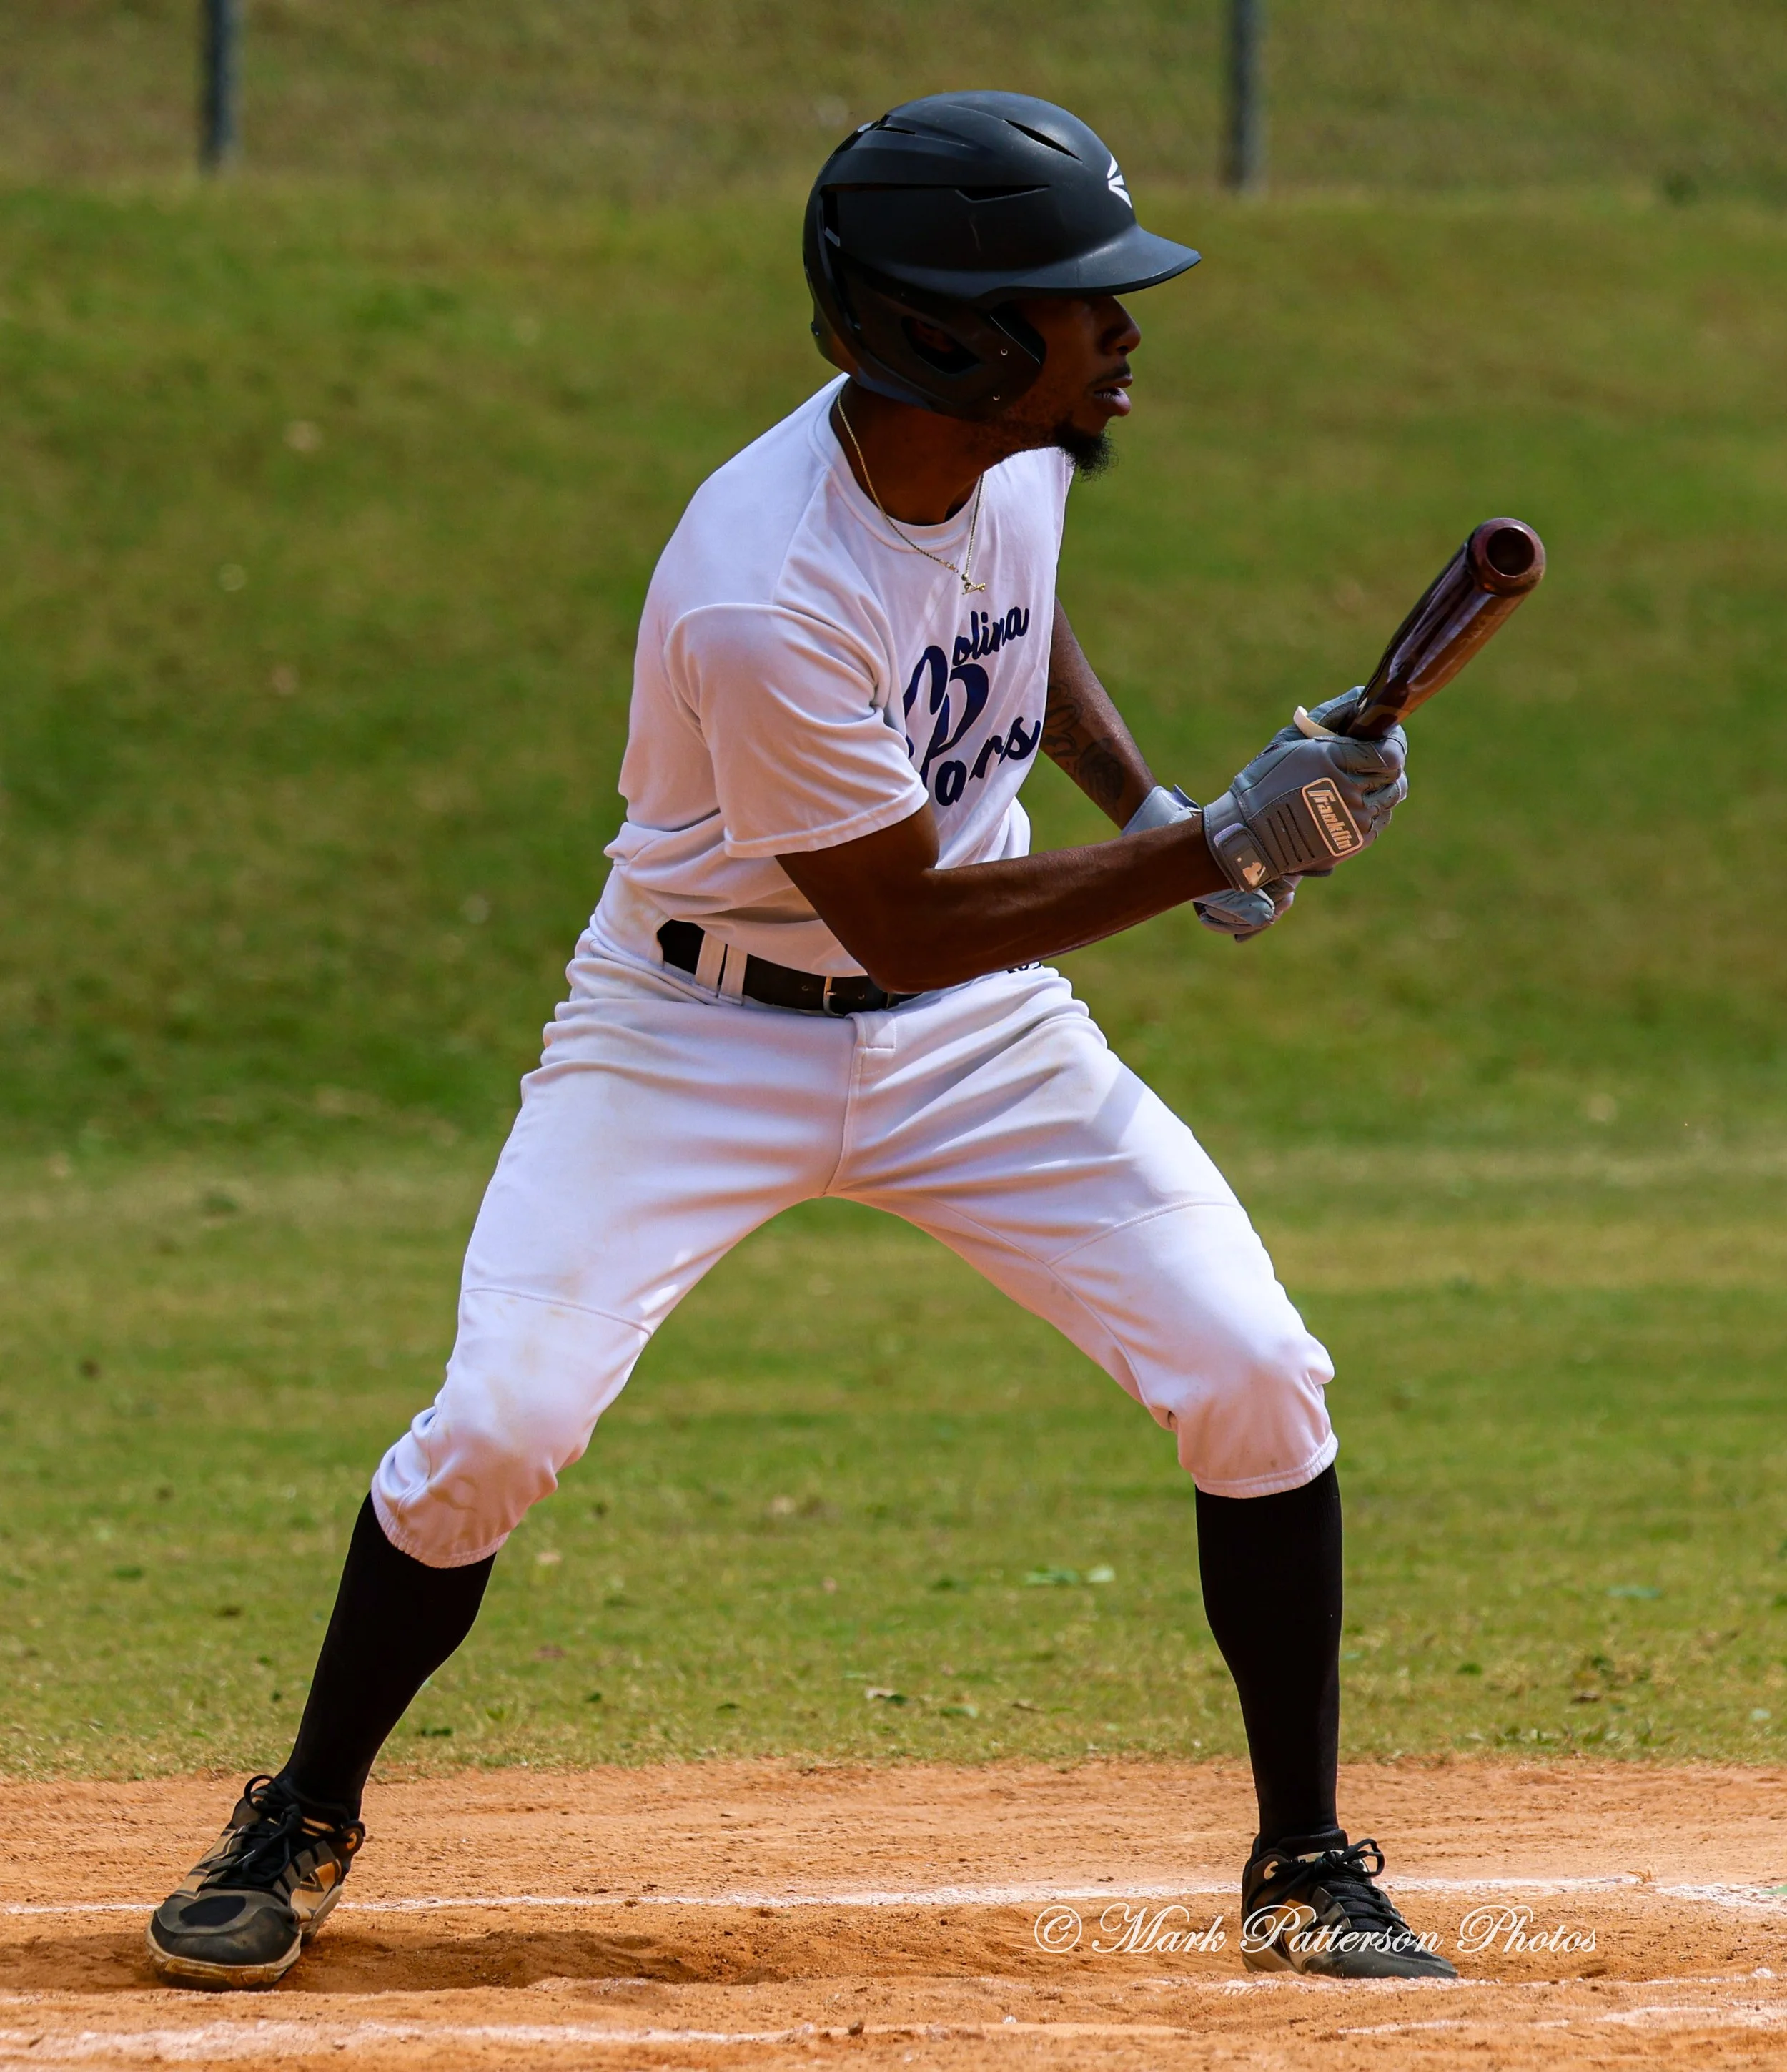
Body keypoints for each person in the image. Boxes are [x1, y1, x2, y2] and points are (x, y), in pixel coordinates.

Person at [147, 90, 1452, 1989]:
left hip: (975, 1042)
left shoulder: (1009, 456)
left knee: (1253, 1370)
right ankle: (304, 1811)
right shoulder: (761, 590)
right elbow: (902, 920)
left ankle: (1302, 1860)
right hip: (694, 1033)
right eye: (1083, 301)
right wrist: (1209, 850)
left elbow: (1019, 627)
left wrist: (1153, 803)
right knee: (497, 1430)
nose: (1125, 333)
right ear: (956, 338)